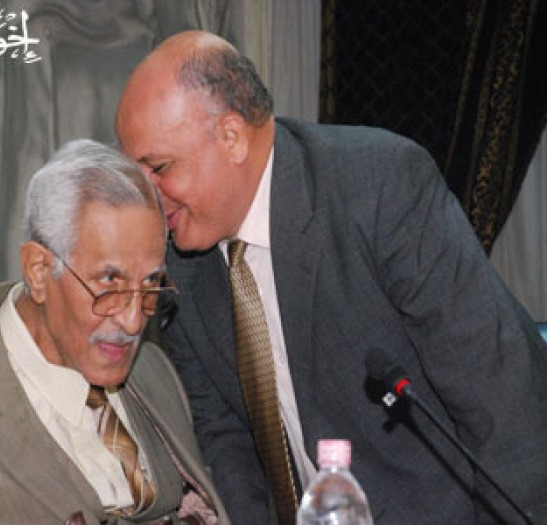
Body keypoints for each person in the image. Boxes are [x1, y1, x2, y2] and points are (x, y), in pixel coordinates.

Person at [114, 30, 547, 524]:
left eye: (159, 168)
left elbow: (503, 400)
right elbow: (224, 435)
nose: (148, 197)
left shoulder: (380, 188)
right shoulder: (179, 261)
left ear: (231, 137)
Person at [0, 139, 230, 525]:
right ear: (39, 271)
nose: (133, 322)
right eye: (109, 282)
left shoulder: (155, 371)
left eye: (150, 285)